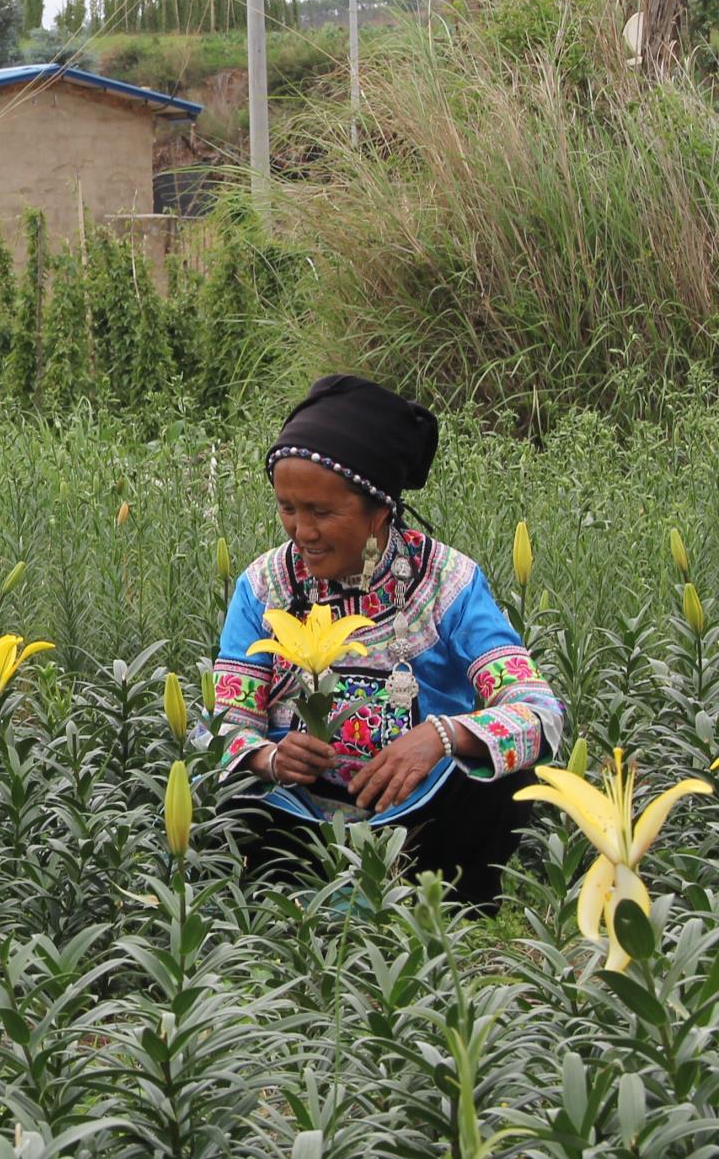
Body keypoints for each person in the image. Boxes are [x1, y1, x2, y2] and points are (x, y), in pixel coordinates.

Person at [200, 374, 565, 907]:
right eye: (287, 508)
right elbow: (221, 725)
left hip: (421, 830)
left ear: (380, 510)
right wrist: (267, 760)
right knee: (222, 791)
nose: (301, 532)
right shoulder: (263, 588)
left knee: (503, 773)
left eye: (322, 512)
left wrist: (443, 736)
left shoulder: (448, 584)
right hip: (294, 828)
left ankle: (451, 909)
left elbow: (541, 714)